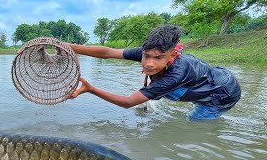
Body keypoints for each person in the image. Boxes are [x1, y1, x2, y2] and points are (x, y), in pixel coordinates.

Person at [68, 24, 241, 120]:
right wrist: (69, 47)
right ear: (144, 50)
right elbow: (107, 53)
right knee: (150, 99)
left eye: (158, 58)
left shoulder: (176, 74)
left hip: (222, 93)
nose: (150, 63)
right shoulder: (150, 51)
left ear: (173, 55)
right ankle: (153, 98)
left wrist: (90, 89)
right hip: (206, 78)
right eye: (146, 56)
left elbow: (128, 102)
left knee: (193, 123)